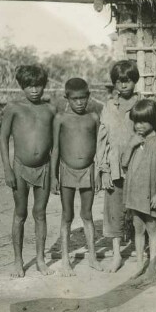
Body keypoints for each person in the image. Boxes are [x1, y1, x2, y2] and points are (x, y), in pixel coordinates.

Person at [0, 64, 56, 278]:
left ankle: (41, 260)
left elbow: (56, 143)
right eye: (30, 86)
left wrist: (55, 173)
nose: (34, 90)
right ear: (22, 86)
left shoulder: (50, 109)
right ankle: (18, 260)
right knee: (20, 214)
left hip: (45, 167)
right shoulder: (14, 108)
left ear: (44, 86)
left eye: (38, 85)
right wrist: (7, 169)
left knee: (40, 214)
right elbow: (3, 139)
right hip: (20, 167)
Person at [50, 78, 102, 276]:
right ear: (67, 98)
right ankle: (65, 260)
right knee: (67, 215)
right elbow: (55, 149)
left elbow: (99, 149)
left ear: (88, 96)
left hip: (88, 170)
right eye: (75, 99)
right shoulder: (60, 118)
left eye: (83, 98)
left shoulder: (93, 118)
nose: (79, 102)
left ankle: (93, 257)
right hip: (67, 170)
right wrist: (54, 177)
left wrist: (97, 173)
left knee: (87, 214)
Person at [95, 60, 141, 273]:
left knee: (141, 210)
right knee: (114, 211)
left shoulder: (142, 105)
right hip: (114, 166)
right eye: (120, 81)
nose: (124, 85)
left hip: (138, 164)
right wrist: (103, 169)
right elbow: (102, 139)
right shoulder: (108, 107)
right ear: (114, 83)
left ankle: (141, 254)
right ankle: (116, 256)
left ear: (135, 81)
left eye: (128, 81)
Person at [121, 99, 156, 284]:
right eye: (136, 121)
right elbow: (124, 163)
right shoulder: (134, 140)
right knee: (138, 228)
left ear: (153, 120)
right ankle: (140, 262)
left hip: (150, 194)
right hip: (135, 193)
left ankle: (152, 264)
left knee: (151, 228)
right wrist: (131, 145)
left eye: (143, 121)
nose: (138, 125)